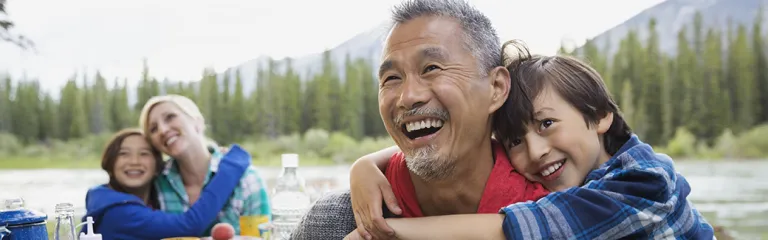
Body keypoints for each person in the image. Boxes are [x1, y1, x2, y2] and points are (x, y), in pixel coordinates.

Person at [345, 42, 715, 239]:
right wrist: (365, 165)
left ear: (601, 115)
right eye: (514, 142)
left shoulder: (643, 184)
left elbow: (510, 229)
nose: (535, 151)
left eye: (547, 123)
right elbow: (453, 142)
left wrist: (388, 234)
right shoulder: (595, 172)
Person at [290, 0, 549, 239]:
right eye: (391, 78)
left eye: (431, 68)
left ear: (496, 88)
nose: (408, 97)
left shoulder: (554, 215)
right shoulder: (334, 222)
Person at [81, 128, 252, 239]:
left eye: (144, 154)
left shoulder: (152, 198)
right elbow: (190, 225)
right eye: (124, 154)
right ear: (110, 163)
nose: (134, 161)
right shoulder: (119, 212)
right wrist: (231, 167)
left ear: (158, 166)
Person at [138, 94, 271, 236]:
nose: (162, 130)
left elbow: (260, 237)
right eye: (153, 129)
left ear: (198, 122)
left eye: (170, 117)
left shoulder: (247, 179)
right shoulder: (155, 184)